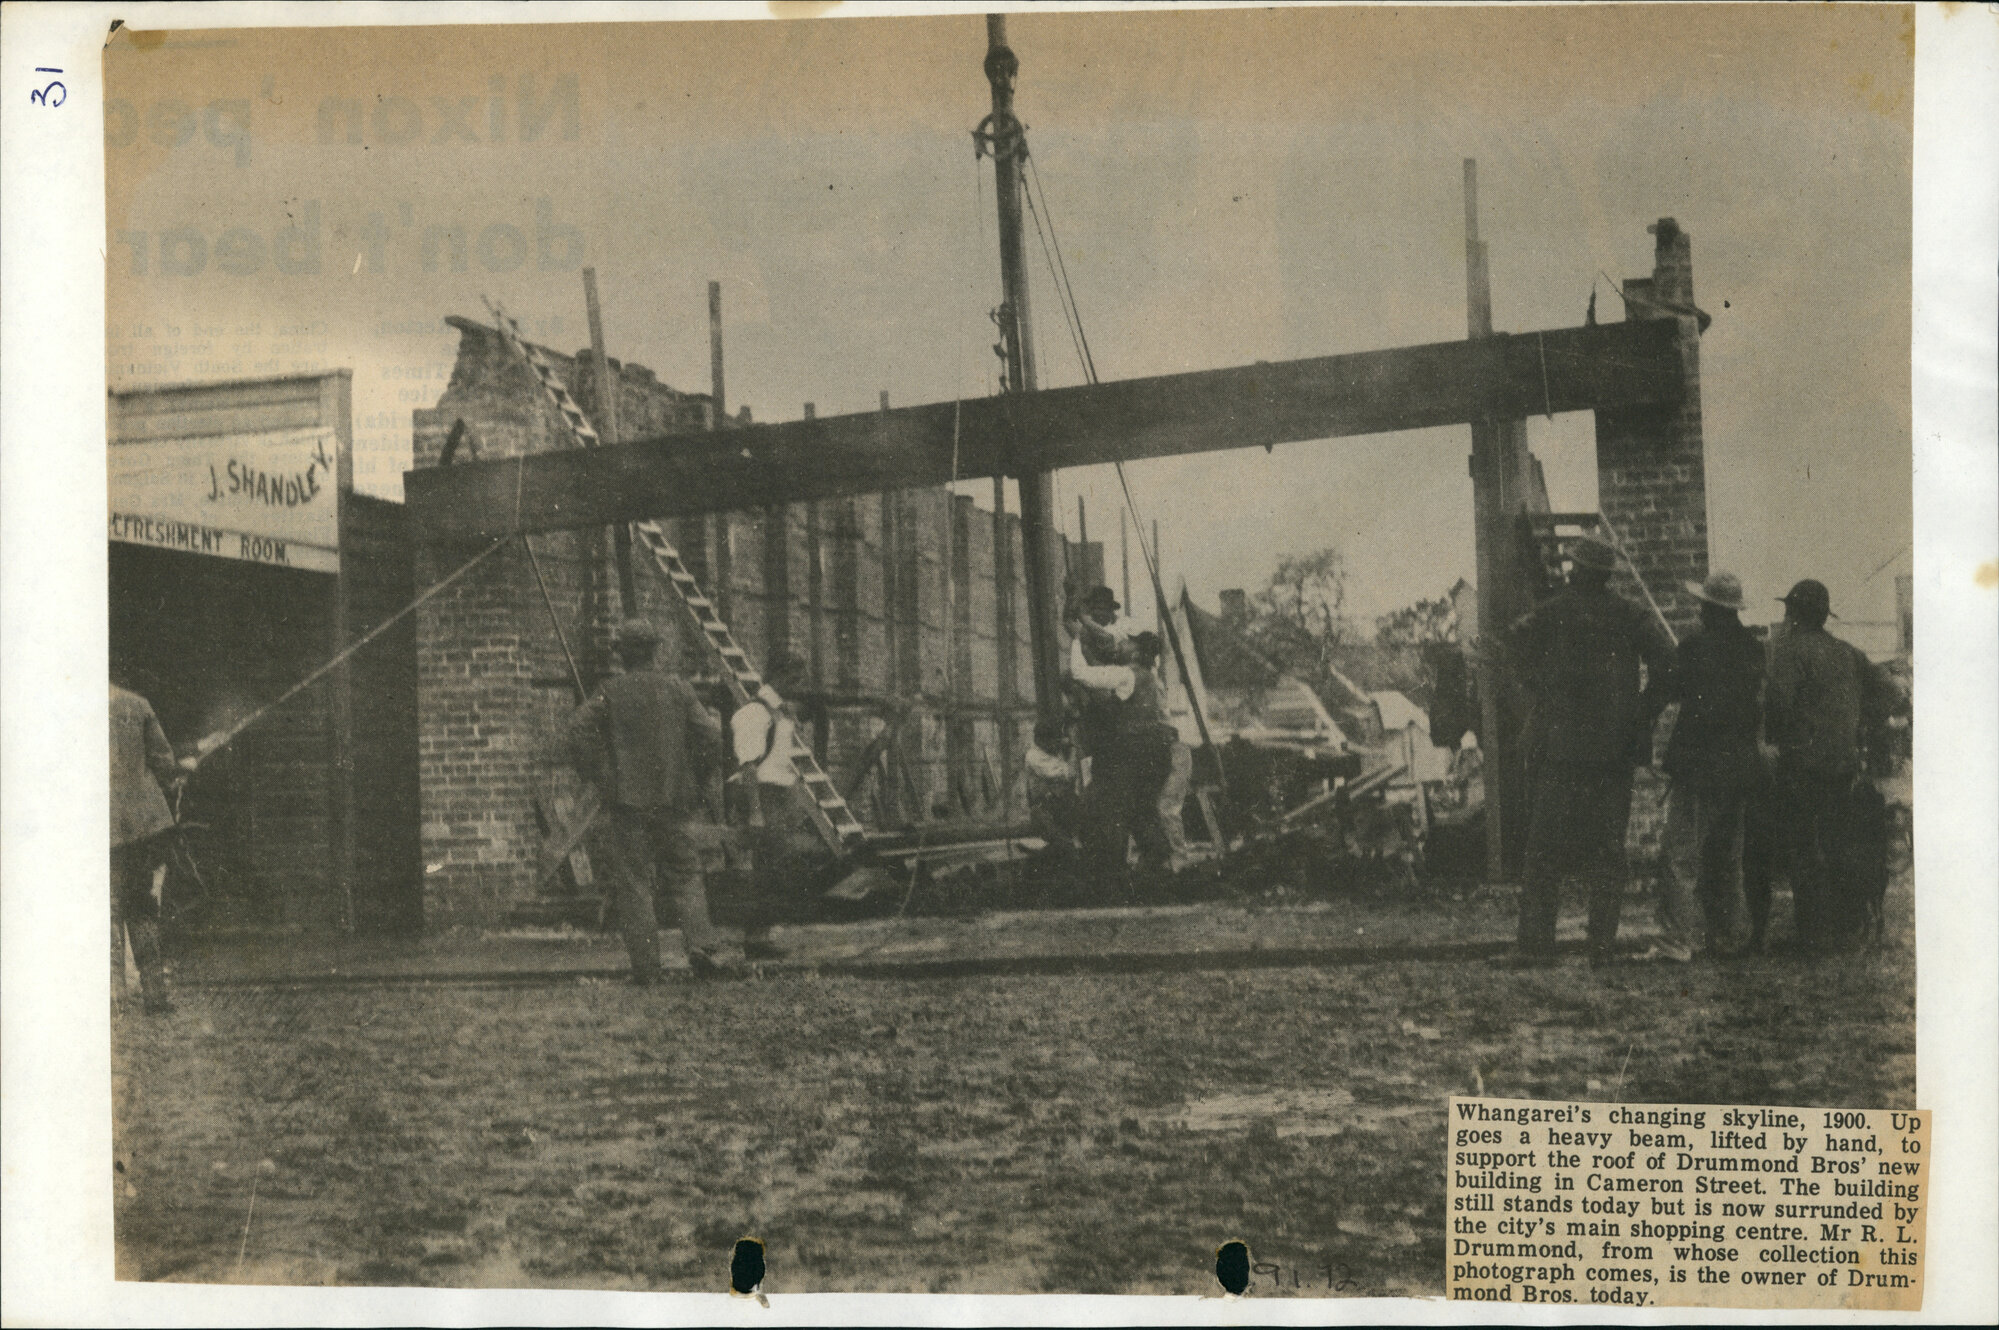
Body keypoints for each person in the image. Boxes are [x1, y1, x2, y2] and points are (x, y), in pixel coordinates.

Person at [1494, 535, 1676, 969]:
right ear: (1607, 575)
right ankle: (1600, 947)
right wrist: (1641, 712)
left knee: (1543, 851)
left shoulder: (1554, 612)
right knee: (1608, 852)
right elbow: (1670, 663)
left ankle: (1535, 946)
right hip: (1613, 754)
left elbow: (1510, 645)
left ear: (1575, 569)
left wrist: (1538, 692)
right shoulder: (1630, 615)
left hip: (1561, 751)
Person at [568, 619, 731, 982]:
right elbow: (712, 739)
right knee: (687, 874)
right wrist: (694, 780)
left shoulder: (609, 692)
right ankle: (702, 947)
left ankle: (646, 968)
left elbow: (578, 730)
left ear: (623, 655)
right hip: (674, 802)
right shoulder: (679, 690)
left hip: (627, 804)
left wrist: (602, 776)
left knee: (635, 882)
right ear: (655, 651)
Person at [1764, 579, 1905, 953]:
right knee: (1840, 846)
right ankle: (1845, 930)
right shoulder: (1847, 652)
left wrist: (1777, 738)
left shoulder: (1789, 650)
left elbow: (1778, 703)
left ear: (1793, 614)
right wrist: (1862, 720)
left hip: (1802, 767)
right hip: (1843, 768)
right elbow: (1893, 692)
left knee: (1804, 849)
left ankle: (1813, 935)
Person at [1648, 571, 1767, 962]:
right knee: (1727, 858)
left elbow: (1671, 690)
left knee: (1680, 855)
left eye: (1703, 604)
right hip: (1740, 769)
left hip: (1700, 768)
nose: (1698, 609)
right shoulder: (1752, 650)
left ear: (1710, 608)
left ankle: (1678, 940)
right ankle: (1730, 937)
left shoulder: (1696, 646)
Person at [728, 650, 821, 961]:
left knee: (776, 867)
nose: (798, 687)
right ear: (778, 678)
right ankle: (754, 939)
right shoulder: (755, 714)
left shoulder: (781, 712)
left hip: (778, 796)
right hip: (760, 796)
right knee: (765, 868)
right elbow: (749, 768)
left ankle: (762, 935)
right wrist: (755, 812)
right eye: (794, 681)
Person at [111, 678, 188, 1013]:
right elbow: (163, 762)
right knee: (142, 906)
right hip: (141, 826)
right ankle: (155, 995)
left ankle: (112, 1000)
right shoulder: (137, 705)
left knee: (106, 910)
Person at [1023, 716, 1081, 865]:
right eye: (1052, 741)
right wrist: (1074, 746)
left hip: (1061, 808)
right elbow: (1070, 774)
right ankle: (1037, 859)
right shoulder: (1034, 756)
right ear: (1041, 740)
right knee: (1066, 847)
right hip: (1044, 812)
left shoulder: (1051, 750)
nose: (1056, 744)